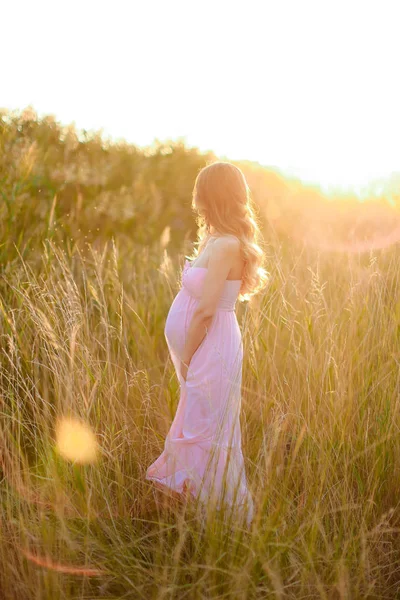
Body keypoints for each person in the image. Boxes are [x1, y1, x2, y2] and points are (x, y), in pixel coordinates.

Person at [145, 161, 269, 527]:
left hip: (211, 347)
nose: (195, 199)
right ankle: (200, 519)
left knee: (207, 430)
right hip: (202, 347)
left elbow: (205, 311)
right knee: (198, 424)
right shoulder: (214, 239)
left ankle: (222, 523)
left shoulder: (228, 244)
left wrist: (187, 355)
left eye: (201, 191)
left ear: (213, 195)